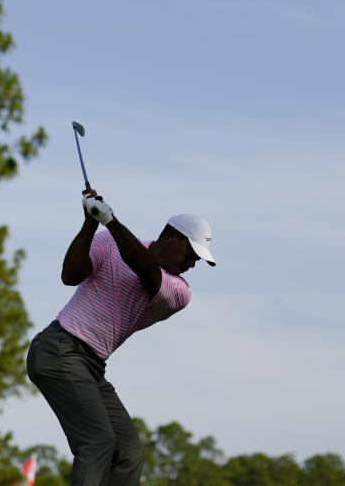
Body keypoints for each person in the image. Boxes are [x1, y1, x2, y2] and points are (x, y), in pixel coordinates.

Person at [26, 189, 216, 486]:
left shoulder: (179, 291)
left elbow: (144, 268)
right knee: (98, 441)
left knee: (128, 452)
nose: (192, 263)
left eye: (197, 260)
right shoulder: (109, 243)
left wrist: (110, 220)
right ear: (171, 236)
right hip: (57, 350)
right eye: (190, 253)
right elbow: (70, 274)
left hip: (89, 366)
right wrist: (91, 222)